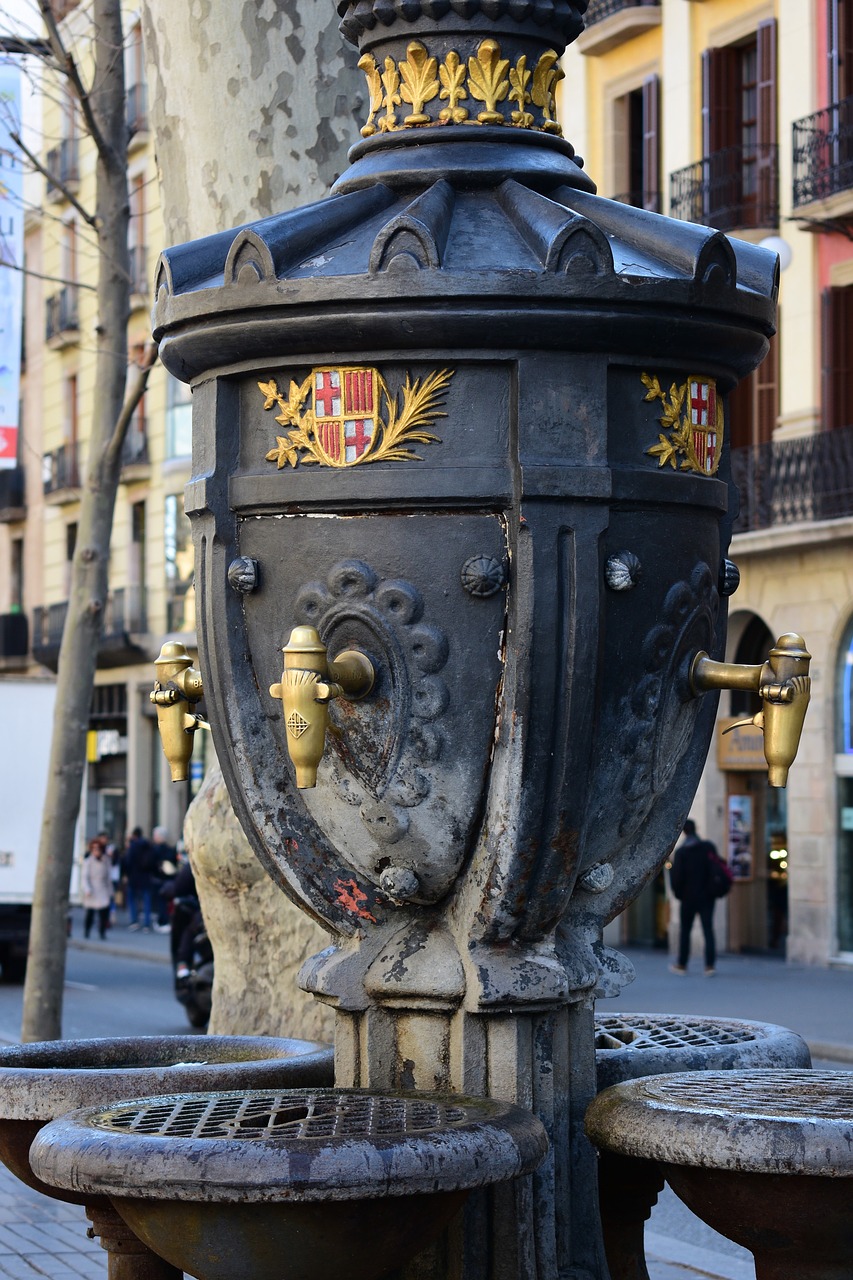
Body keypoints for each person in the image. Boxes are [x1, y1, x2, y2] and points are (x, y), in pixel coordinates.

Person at [668, 819, 719, 976]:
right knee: (708, 930)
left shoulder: (682, 852)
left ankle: (682, 965)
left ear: (684, 831)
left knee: (685, 931)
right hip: (707, 897)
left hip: (688, 898)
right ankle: (709, 966)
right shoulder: (708, 848)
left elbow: (676, 878)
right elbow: (716, 869)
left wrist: (679, 893)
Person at [123, 827, 154, 931]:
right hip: (146, 877)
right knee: (146, 900)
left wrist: (126, 874)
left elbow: (128, 861)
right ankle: (147, 923)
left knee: (132, 900)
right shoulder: (148, 845)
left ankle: (134, 921)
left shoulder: (132, 846)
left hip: (133, 877)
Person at [82, 837, 113, 940]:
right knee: (90, 914)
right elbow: (84, 877)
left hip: (103, 889)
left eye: (98, 849)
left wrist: (110, 891)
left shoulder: (106, 860)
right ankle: (87, 930)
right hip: (92, 889)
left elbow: (108, 877)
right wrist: (87, 889)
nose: (96, 851)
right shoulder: (88, 862)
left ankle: (102, 932)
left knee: (103, 914)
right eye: (94, 849)